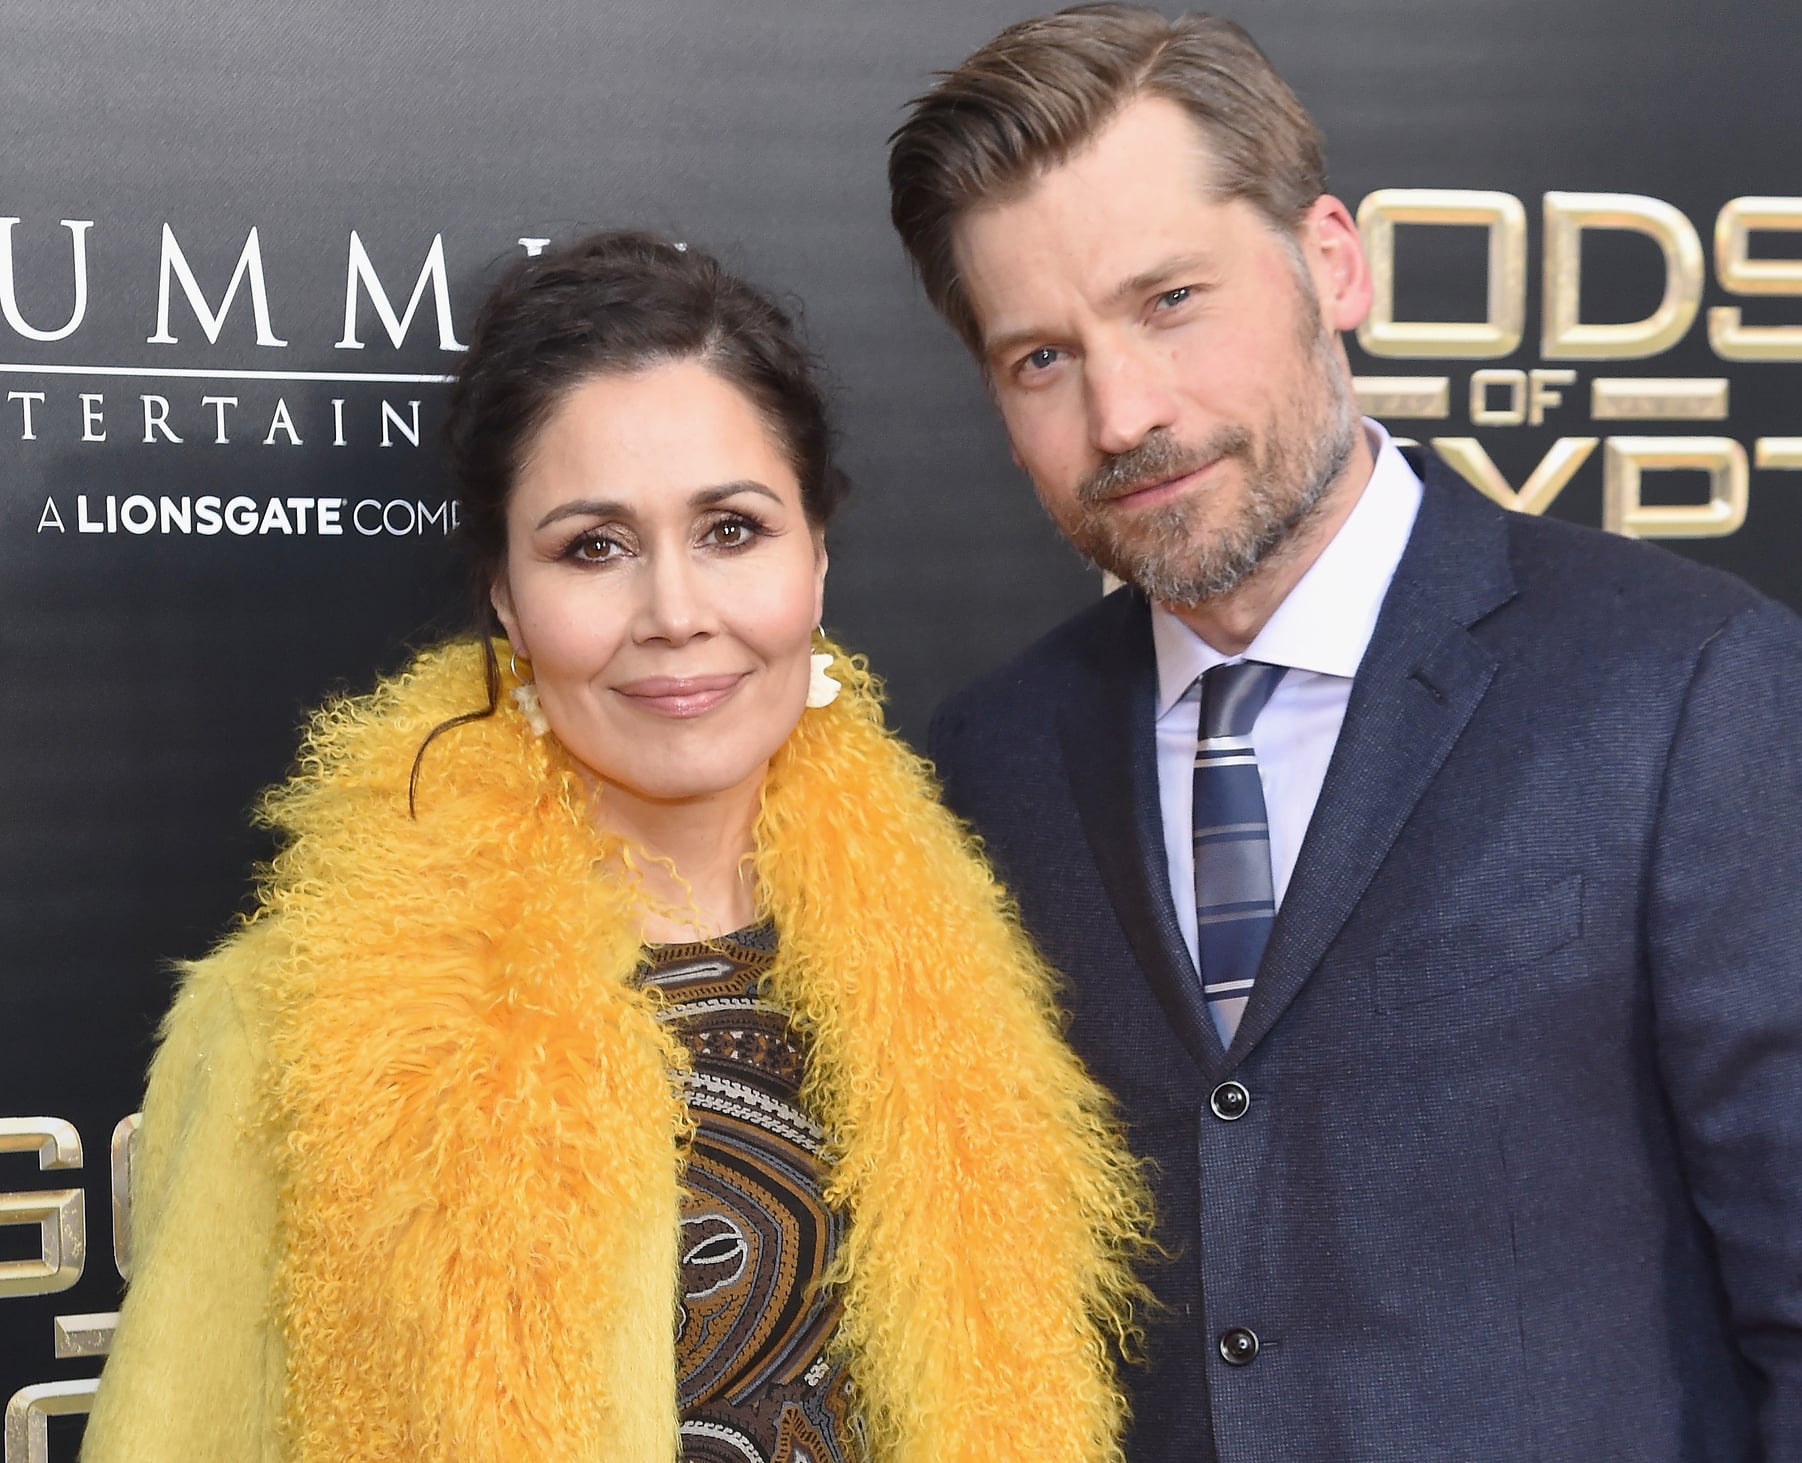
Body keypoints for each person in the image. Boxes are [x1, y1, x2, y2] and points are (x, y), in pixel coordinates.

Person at [887, 6, 1802, 1459]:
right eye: (1041, 357)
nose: (1123, 412)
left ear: (1330, 262)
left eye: (1169, 301)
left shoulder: (1691, 688)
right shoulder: (989, 760)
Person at [81, 231, 1149, 1463]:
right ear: (503, 593)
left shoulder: (969, 971)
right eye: (593, 546)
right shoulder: (306, 1024)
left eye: (731, 529)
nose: (675, 612)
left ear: (817, 551)